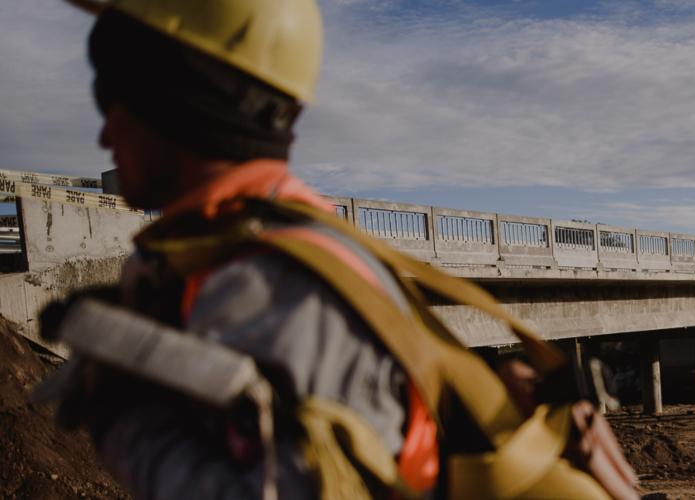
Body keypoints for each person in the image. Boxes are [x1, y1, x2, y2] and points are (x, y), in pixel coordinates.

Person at [41, 0, 633, 499]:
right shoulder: (276, 244)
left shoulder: (274, 287)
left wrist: (124, 412)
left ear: (176, 96)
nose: (102, 133)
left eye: (109, 92)